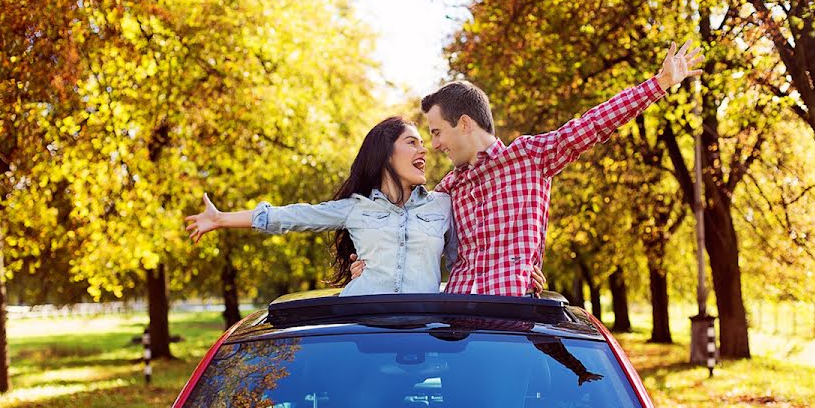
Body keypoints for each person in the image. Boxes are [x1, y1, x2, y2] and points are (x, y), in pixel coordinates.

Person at [353, 40, 703, 296]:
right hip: (455, 326)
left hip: (511, 325)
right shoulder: (448, 189)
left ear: (463, 124)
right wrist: (369, 266)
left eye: (437, 132)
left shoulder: (530, 158)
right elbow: (403, 233)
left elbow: (593, 124)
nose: (436, 144)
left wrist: (658, 85)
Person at [186, 117, 547, 296]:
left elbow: (467, 265)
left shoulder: (443, 205)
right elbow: (291, 217)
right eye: (413, 143)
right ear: (386, 153)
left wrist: (520, 277)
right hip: (361, 327)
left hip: (421, 335)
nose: (425, 151)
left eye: (425, 144)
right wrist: (220, 219)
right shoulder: (355, 208)